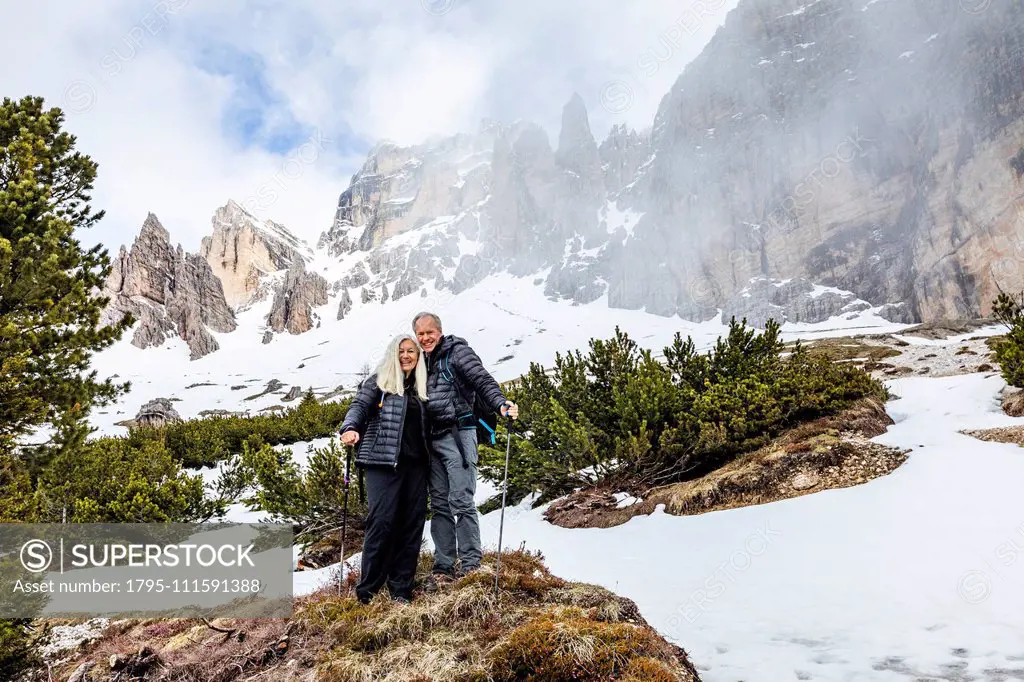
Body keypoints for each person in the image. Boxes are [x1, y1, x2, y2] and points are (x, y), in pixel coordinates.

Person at [412, 311, 519, 585]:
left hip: (460, 435)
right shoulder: (418, 361)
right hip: (432, 441)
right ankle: (443, 566)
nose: (425, 338)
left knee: (461, 500)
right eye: (420, 334)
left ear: (440, 331)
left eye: (429, 332)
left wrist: (501, 404)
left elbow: (482, 381)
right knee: (439, 504)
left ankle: (471, 565)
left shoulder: (458, 352)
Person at [339, 333, 431, 604]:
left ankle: (401, 588)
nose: (406, 356)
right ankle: (368, 589)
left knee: (412, 524)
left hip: (416, 466)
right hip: (381, 462)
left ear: (418, 356)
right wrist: (350, 428)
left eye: (411, 352)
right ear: (393, 353)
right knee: (382, 522)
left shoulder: (423, 386)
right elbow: (358, 406)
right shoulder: (379, 381)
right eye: (401, 351)